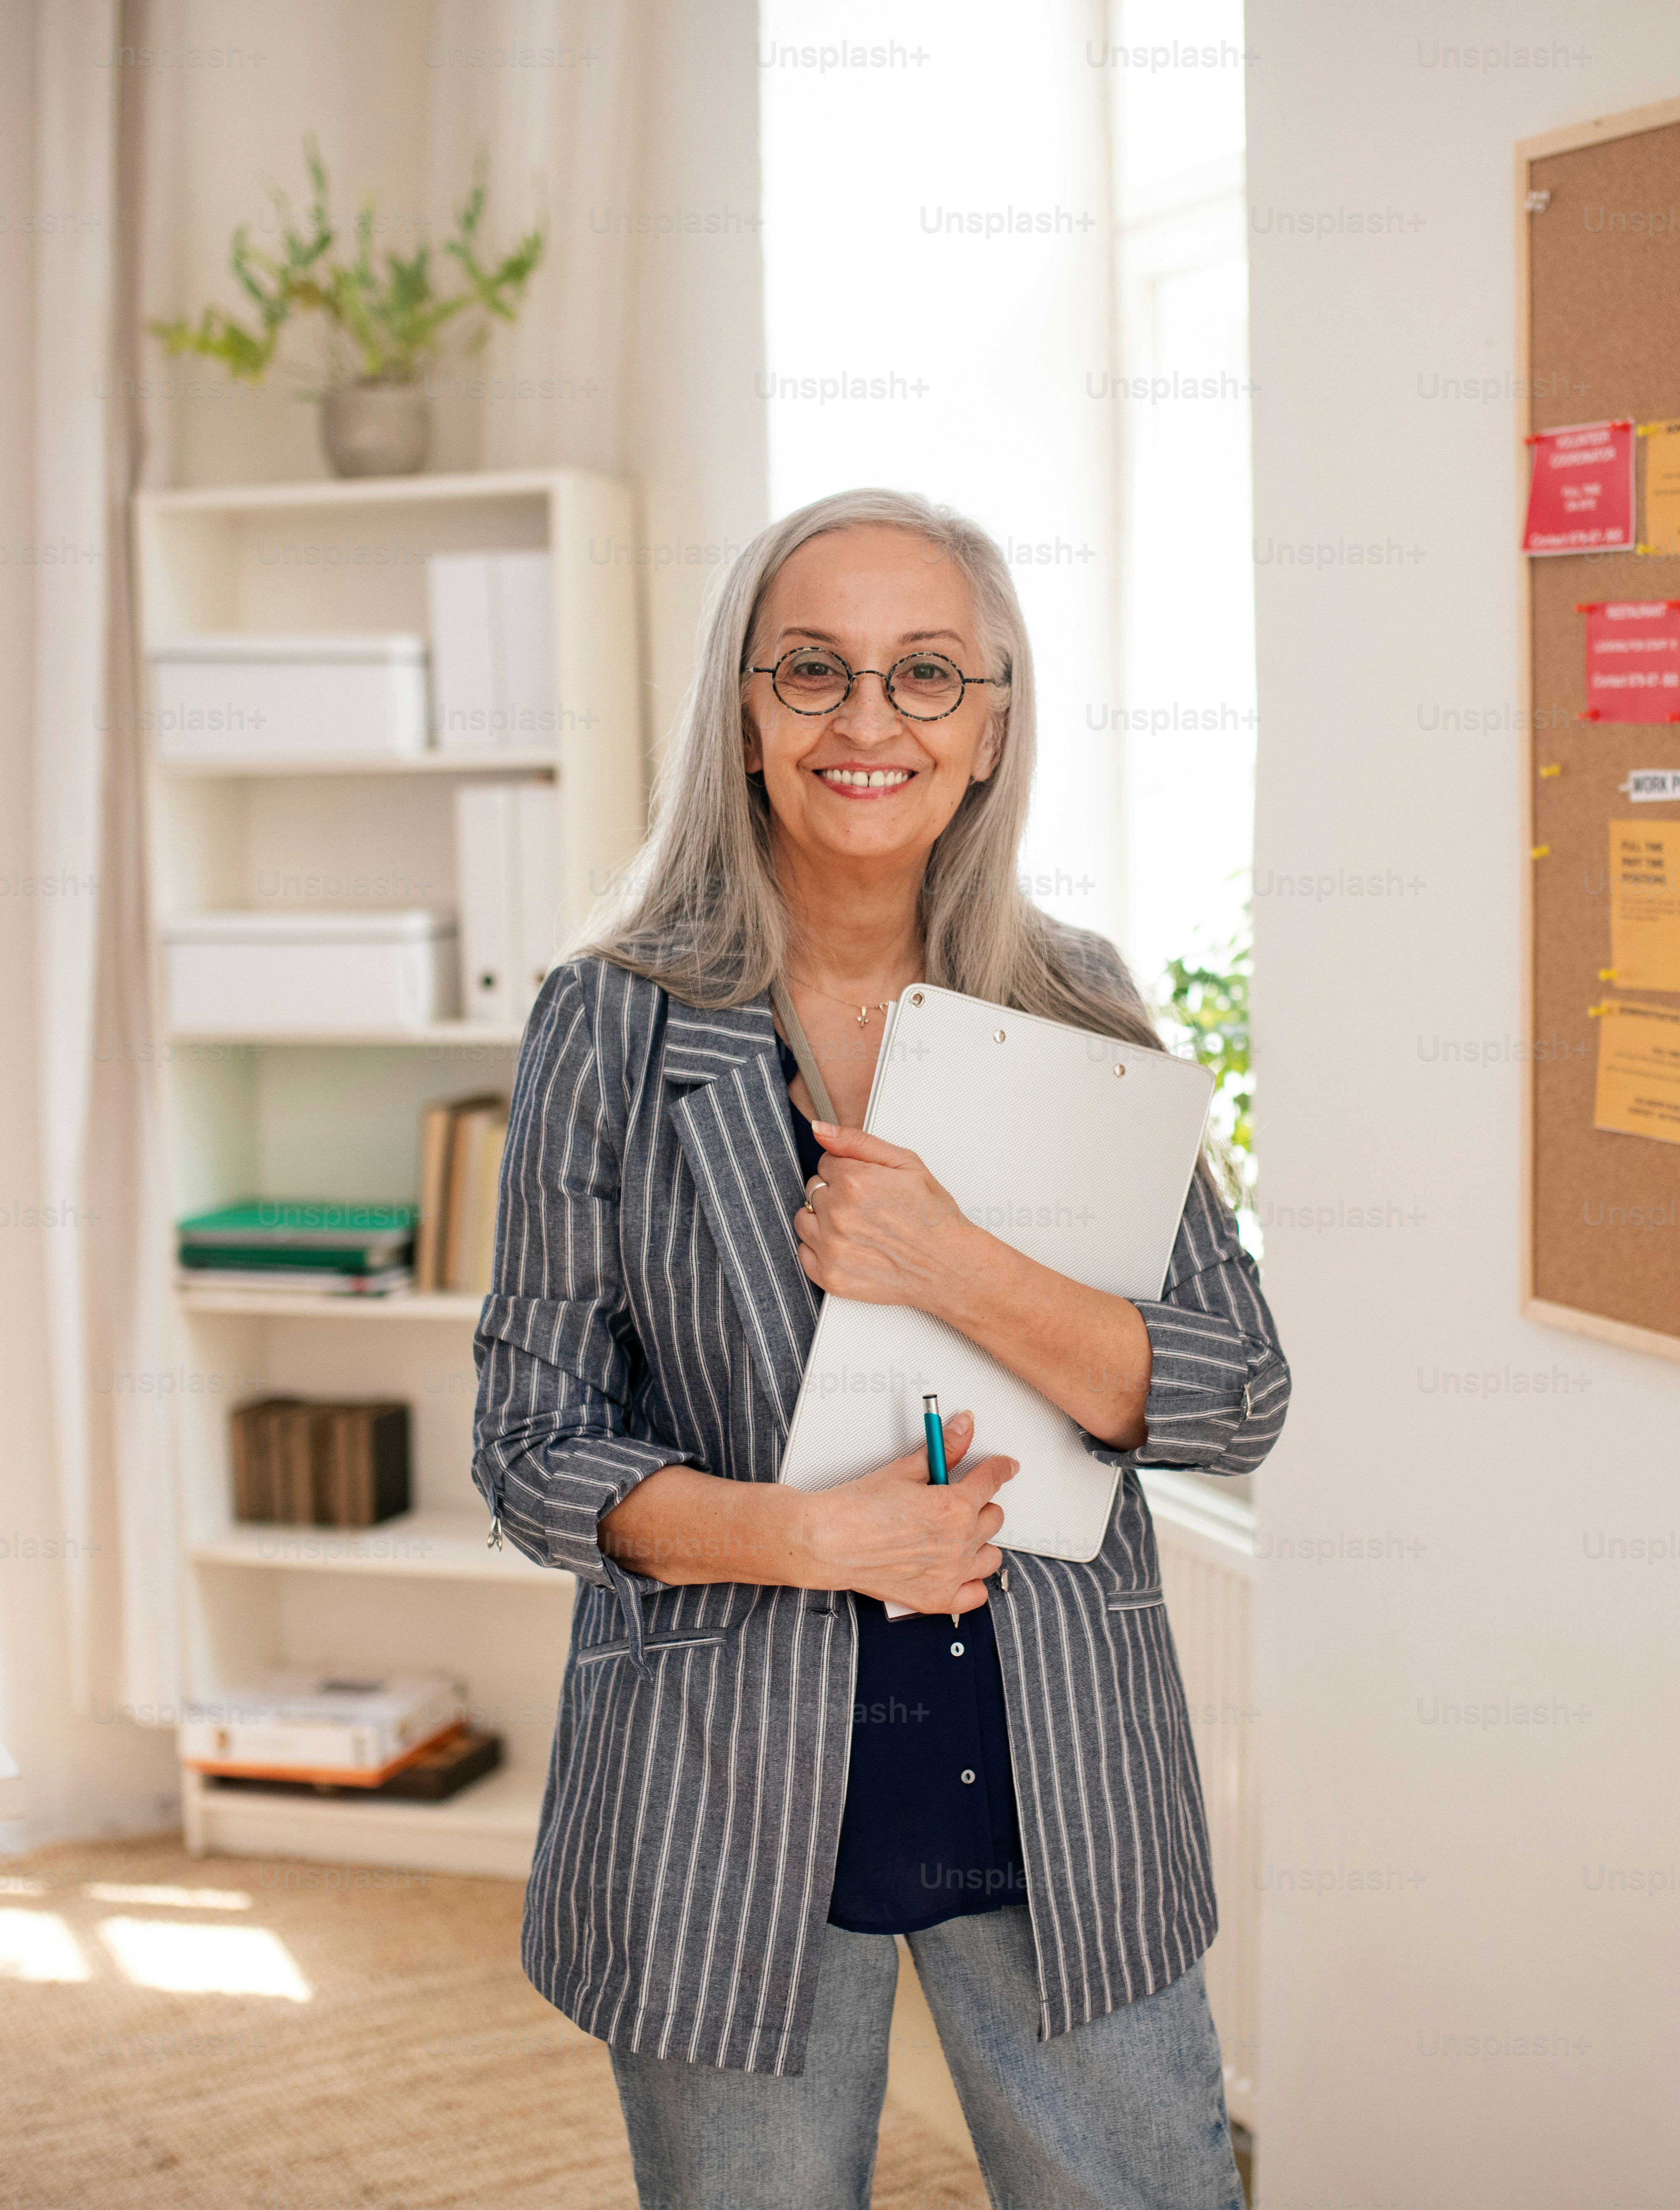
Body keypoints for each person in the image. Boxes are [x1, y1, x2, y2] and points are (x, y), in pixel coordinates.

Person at [472, 486, 1288, 2208]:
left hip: (1054, 1762)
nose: (868, 723)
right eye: (811, 673)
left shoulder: (1072, 1006)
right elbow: (530, 1445)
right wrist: (815, 1537)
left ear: (990, 724)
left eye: (925, 674)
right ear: (743, 713)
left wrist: (951, 1265)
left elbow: (1233, 1389)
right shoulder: (607, 1022)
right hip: (725, 1781)